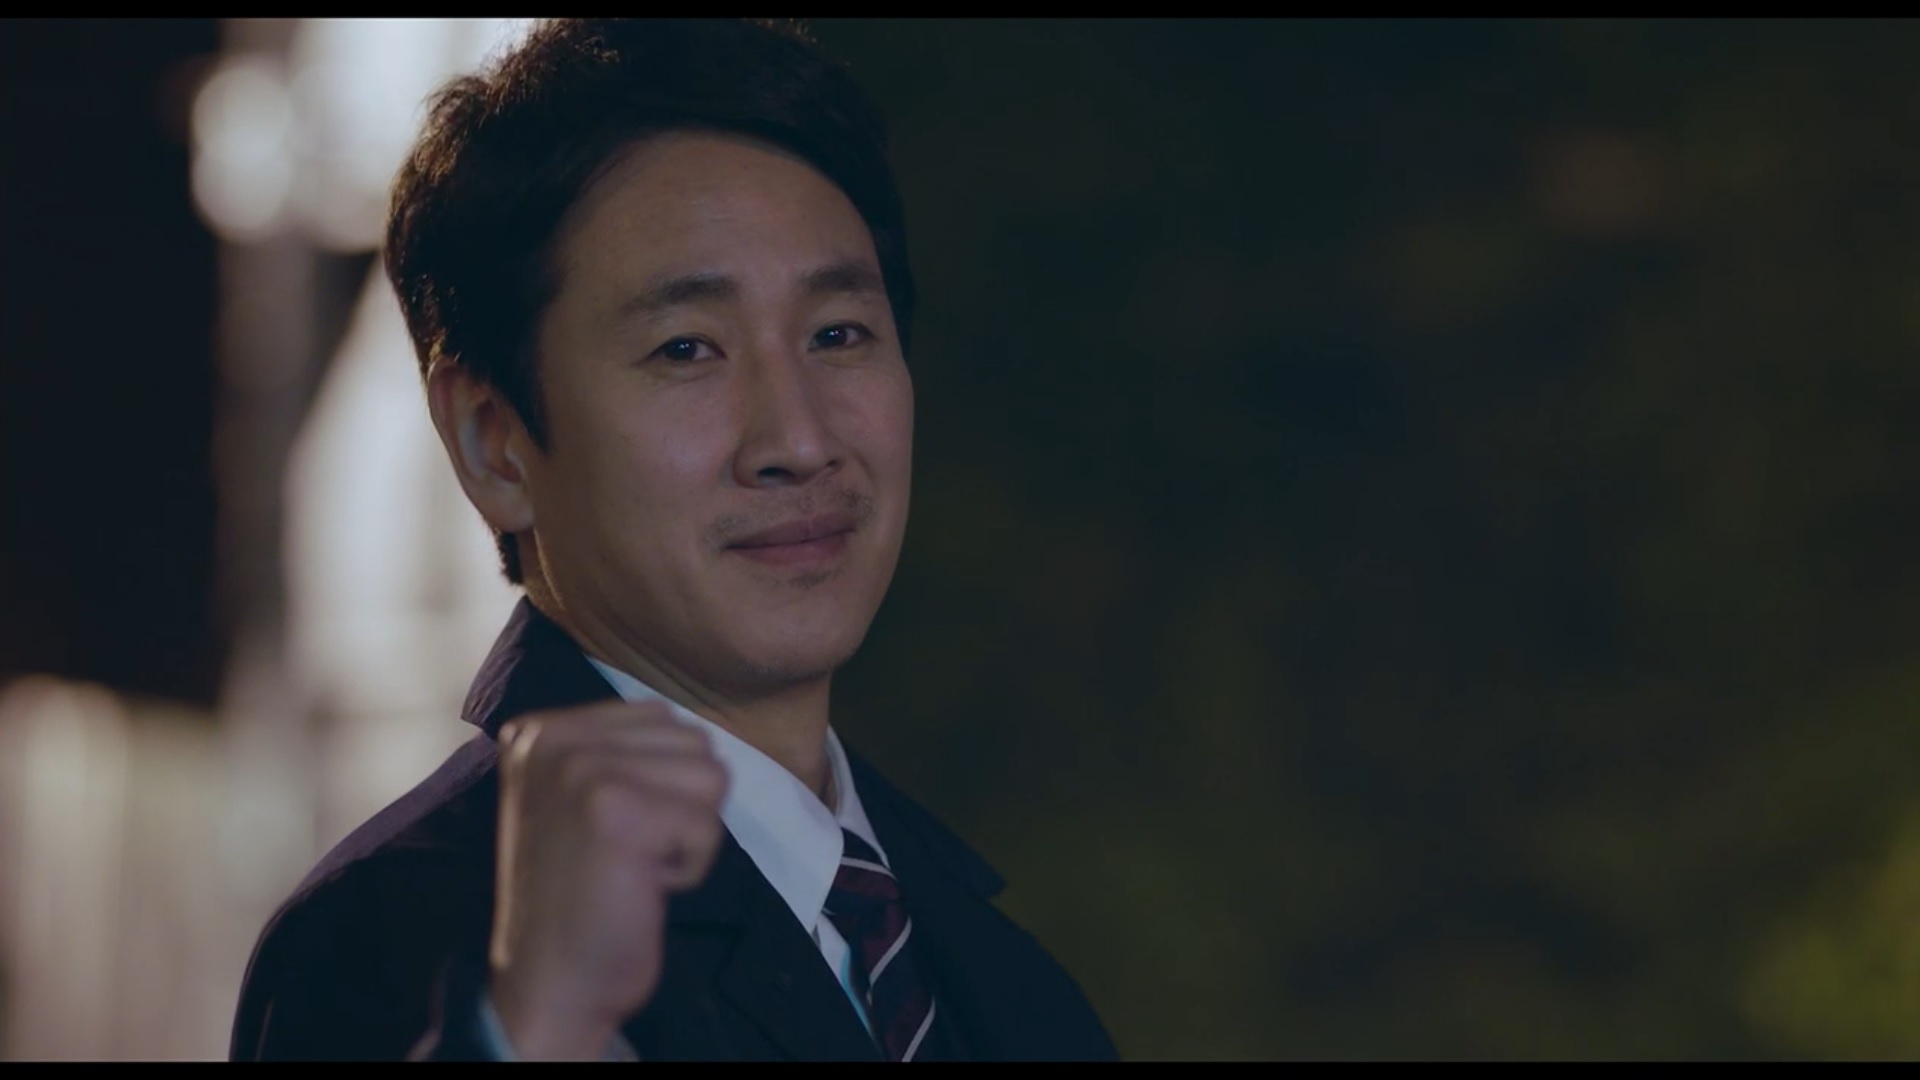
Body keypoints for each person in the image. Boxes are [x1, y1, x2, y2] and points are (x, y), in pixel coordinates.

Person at [228, 18, 1118, 1062]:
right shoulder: (400, 948)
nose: (799, 441)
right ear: (493, 442)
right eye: (686, 348)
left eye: (838, 334)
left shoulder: (994, 973)